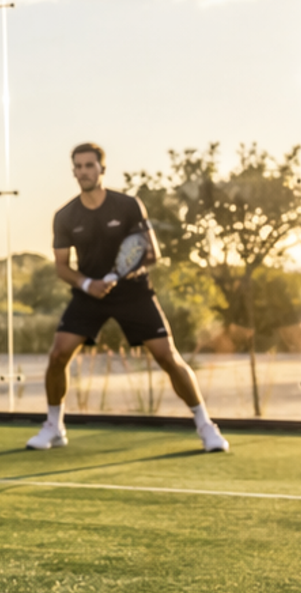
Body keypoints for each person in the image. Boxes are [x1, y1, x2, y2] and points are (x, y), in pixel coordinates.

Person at [29, 142, 227, 454]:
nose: (83, 172)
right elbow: (61, 267)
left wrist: (118, 277)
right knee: (58, 355)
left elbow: (151, 253)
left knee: (167, 357)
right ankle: (54, 426)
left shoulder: (127, 206)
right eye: (78, 167)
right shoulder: (64, 216)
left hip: (134, 292)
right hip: (89, 294)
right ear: (73, 171)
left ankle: (206, 426)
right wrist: (88, 284)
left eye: (89, 165)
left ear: (102, 169)